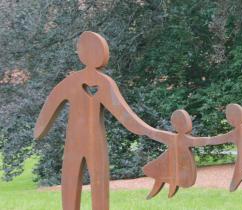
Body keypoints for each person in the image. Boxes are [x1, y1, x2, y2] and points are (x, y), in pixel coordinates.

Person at [34, 31, 155, 210]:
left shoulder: (103, 83)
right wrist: (40, 128)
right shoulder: (75, 82)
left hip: (91, 144)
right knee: (71, 182)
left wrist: (155, 133)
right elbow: (51, 105)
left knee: (96, 185)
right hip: (75, 145)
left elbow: (127, 117)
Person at [143, 109, 228, 199]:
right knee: (160, 174)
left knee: (172, 176)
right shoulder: (172, 137)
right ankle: (157, 194)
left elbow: (208, 140)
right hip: (168, 158)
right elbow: (152, 133)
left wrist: (225, 137)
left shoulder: (187, 139)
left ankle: (169, 195)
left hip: (180, 161)